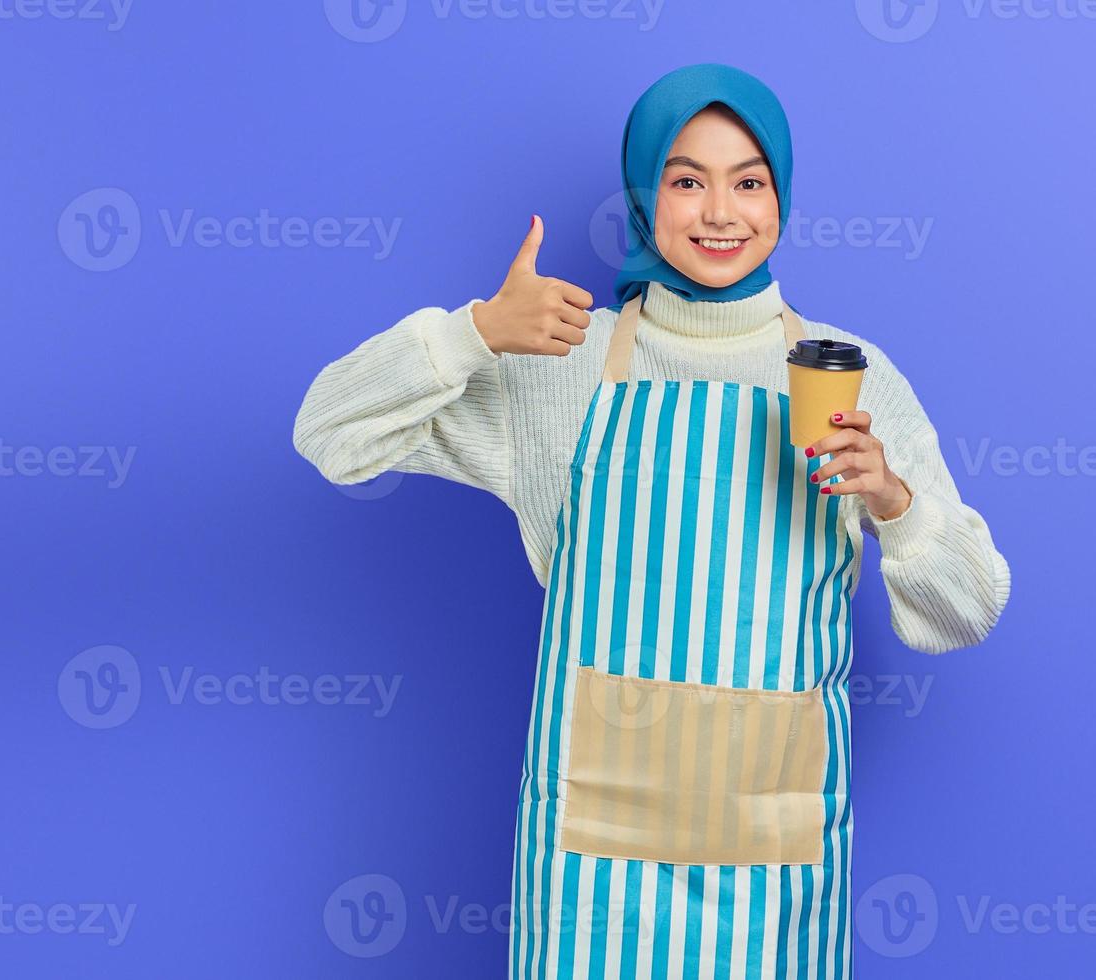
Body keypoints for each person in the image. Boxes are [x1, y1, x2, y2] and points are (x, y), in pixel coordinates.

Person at [293, 62, 1009, 980]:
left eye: (749, 181)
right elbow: (327, 432)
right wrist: (471, 332)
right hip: (594, 862)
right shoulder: (559, 361)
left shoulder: (848, 375)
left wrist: (894, 503)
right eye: (686, 181)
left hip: (771, 852)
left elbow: (970, 608)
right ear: (645, 196)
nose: (720, 211)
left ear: (780, 197)